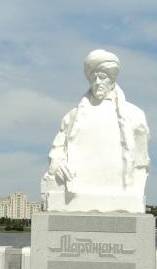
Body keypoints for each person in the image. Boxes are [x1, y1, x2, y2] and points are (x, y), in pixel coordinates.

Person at [41, 49, 150, 213]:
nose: (98, 82)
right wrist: (58, 164)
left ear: (112, 79)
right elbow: (57, 150)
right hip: (73, 190)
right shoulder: (72, 117)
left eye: (103, 77)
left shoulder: (135, 116)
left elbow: (142, 163)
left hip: (120, 192)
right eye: (94, 77)